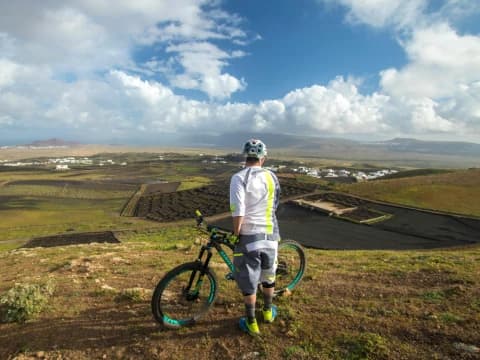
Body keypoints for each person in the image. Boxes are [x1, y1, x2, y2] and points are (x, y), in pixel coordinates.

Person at [229, 138, 281, 335]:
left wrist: (236, 234)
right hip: (270, 233)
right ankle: (268, 312)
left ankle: (251, 322)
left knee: (249, 280)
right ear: (263, 158)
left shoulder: (239, 177)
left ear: (245, 156)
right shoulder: (272, 177)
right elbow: (275, 203)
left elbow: (238, 210)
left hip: (249, 236)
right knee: (269, 274)